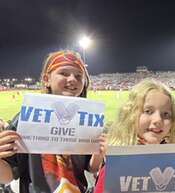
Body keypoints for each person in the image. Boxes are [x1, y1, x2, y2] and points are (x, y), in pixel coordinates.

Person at [0, 50, 107, 193]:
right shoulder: (25, 118)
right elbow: (7, 176)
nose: (72, 79)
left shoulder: (86, 119)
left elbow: (90, 167)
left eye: (78, 76)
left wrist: (99, 153)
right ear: (46, 79)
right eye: (64, 73)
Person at [94, 79, 175, 193]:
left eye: (166, 114)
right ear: (131, 116)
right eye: (148, 111)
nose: (158, 120)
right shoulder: (113, 166)